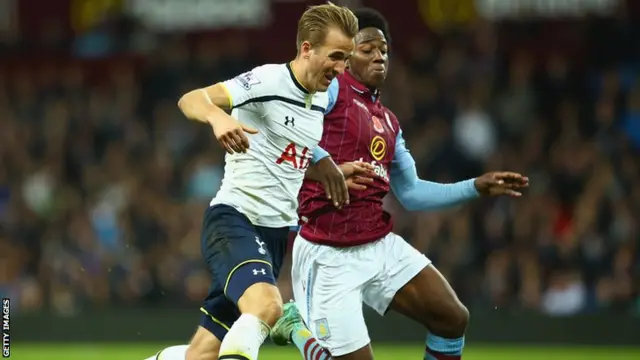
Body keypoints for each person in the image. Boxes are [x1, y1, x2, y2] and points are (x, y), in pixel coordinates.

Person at [269, 8, 529, 360]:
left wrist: (475, 187)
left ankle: (300, 326)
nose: (379, 56)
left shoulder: (388, 122)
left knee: (451, 318)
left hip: (377, 244)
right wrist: (324, 163)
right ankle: (296, 328)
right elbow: (285, 126)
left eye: (384, 50)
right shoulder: (331, 91)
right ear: (346, 57)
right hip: (327, 254)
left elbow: (412, 193)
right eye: (367, 49)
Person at [144, 4, 363, 360]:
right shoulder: (269, 80)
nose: (341, 68)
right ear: (307, 48)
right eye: (336, 56)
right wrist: (218, 119)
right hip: (235, 221)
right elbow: (191, 99)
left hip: (274, 236)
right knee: (267, 307)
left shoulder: (320, 98)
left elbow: (285, 149)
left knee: (202, 354)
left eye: (346, 58)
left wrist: (325, 167)